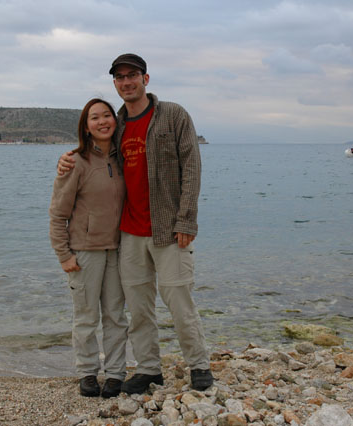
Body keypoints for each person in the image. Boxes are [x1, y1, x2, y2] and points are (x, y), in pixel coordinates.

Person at [57, 53, 213, 394]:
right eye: (120, 77)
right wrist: (66, 158)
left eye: (133, 75)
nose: (127, 82)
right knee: (139, 309)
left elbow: (192, 167)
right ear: (115, 83)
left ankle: (199, 365)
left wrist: (187, 218)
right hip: (128, 233)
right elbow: (94, 153)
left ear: (146, 78)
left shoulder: (172, 115)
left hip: (169, 229)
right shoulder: (118, 124)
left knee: (179, 302)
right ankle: (148, 369)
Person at [49, 98, 128, 398]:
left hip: (118, 250)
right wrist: (64, 255)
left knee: (116, 317)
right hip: (84, 252)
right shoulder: (75, 162)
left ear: (115, 121)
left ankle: (116, 374)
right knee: (85, 317)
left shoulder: (122, 160)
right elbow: (58, 213)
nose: (102, 121)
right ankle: (87, 373)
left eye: (107, 115)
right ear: (86, 126)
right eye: (94, 117)